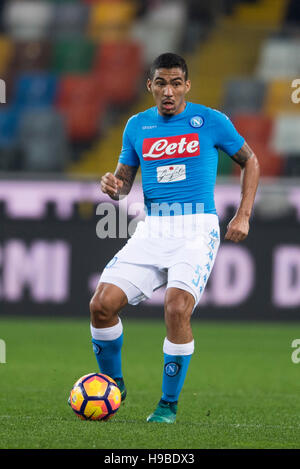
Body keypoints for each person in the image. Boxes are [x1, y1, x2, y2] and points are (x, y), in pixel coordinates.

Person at [89, 53, 260, 423]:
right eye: (161, 83)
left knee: (177, 308)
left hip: (196, 228)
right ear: (149, 86)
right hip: (153, 228)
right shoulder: (137, 126)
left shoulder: (211, 121)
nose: (169, 91)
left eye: (176, 83)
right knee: (101, 305)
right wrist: (111, 185)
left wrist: (243, 214)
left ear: (187, 85)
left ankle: (167, 405)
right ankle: (114, 386)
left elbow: (250, 160)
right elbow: (123, 184)